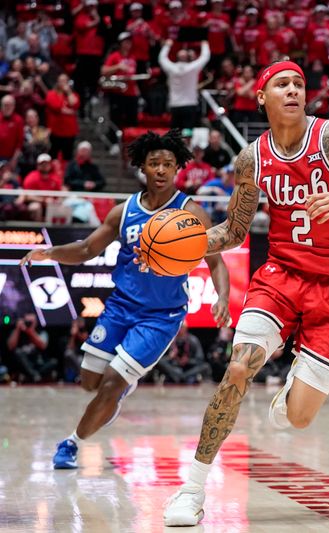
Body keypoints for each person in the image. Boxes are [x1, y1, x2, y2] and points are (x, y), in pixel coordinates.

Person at [162, 60, 329, 526]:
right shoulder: (251, 159)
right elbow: (233, 231)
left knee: (299, 418)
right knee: (237, 367)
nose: (293, 90)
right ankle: (191, 489)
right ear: (261, 97)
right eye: (282, 84)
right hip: (280, 277)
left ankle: (293, 391)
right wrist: (182, 245)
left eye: (298, 84)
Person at [19, 129, 231, 470]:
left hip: (160, 317)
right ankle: (114, 396)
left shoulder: (190, 213)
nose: (161, 170)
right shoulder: (124, 211)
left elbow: (216, 261)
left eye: (167, 164)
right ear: (142, 168)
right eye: (153, 163)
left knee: (112, 383)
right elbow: (88, 249)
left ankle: (71, 443)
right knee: (90, 383)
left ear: (177, 168)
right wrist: (50, 253)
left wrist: (222, 297)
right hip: (120, 307)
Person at [158, 40, 211, 129]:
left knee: (175, 131)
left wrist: (167, 46)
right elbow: (205, 57)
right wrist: (205, 45)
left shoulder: (171, 68)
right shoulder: (193, 67)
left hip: (175, 104)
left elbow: (162, 58)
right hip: (189, 104)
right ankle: (187, 142)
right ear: (188, 58)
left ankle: (176, 142)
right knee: (188, 130)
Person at [6, 313, 53, 383]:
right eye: (27, 322)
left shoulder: (41, 332)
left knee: (53, 362)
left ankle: (32, 375)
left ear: (36, 322)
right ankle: (35, 375)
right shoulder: (18, 332)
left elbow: (43, 346)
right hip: (22, 365)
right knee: (18, 352)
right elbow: (10, 347)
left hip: (37, 363)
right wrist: (17, 329)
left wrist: (30, 332)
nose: (29, 324)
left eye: (31, 322)